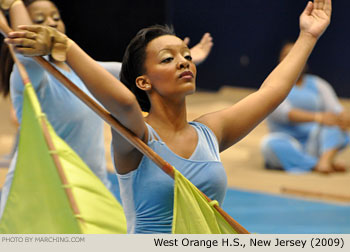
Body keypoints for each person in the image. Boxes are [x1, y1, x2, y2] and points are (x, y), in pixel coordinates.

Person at [5, 0, 332, 233]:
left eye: (186, 56)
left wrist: (309, 35)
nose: (183, 62)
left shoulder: (211, 131)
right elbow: (123, 102)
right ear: (143, 82)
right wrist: (67, 47)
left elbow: (271, 93)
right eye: (167, 58)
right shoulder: (136, 137)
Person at [0, 0, 214, 218]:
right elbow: (26, 47)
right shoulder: (30, 76)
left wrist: (182, 60)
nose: (50, 23)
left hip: (91, 193)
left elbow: (146, 74)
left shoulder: (88, 73)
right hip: (39, 199)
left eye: (56, 17)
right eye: (39, 19)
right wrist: (15, 4)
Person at [261, 41, 350, 174]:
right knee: (269, 145)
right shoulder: (272, 85)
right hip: (287, 141)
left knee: (338, 129)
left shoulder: (319, 84)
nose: (292, 58)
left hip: (316, 142)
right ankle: (316, 164)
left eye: (296, 54)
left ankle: (324, 160)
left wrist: (343, 118)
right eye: (287, 55)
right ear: (280, 61)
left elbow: (336, 109)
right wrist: (319, 117)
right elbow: (285, 114)